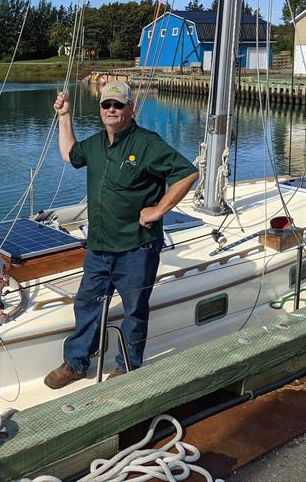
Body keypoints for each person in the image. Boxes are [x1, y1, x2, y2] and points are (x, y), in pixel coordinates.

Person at [44, 82, 198, 389]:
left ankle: (127, 366)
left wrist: (158, 210)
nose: (111, 110)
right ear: (100, 109)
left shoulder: (146, 143)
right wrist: (65, 116)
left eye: (118, 105)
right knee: (87, 304)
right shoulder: (97, 144)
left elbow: (188, 173)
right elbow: (69, 154)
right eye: (106, 105)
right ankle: (76, 362)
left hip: (136, 248)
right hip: (100, 246)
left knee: (134, 311)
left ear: (131, 109)